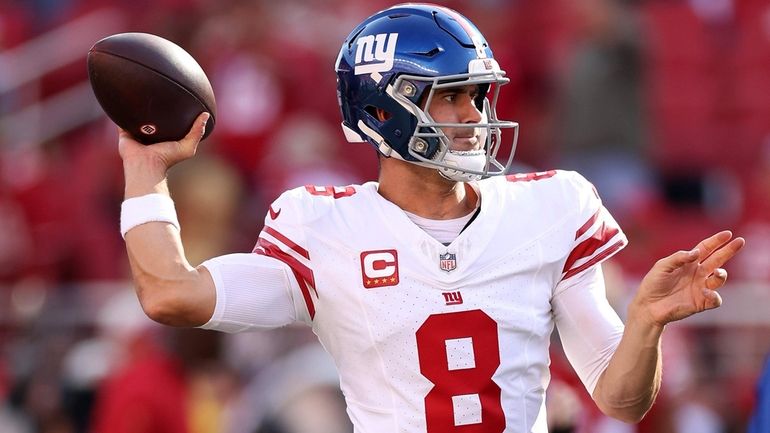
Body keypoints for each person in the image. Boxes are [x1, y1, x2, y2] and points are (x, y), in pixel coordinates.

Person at [116, 4, 745, 432]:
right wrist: (144, 167)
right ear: (382, 111)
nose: (473, 115)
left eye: (477, 94)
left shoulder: (553, 206)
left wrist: (646, 324)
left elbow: (620, 398)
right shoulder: (321, 229)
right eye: (448, 95)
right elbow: (171, 292)